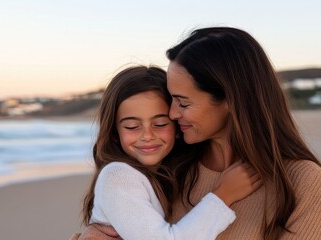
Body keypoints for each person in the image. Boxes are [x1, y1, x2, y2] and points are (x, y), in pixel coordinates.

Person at [73, 27, 321, 240]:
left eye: (182, 102)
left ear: (231, 100)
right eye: (171, 100)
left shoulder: (304, 184)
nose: (171, 114)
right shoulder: (169, 167)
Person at [81, 65, 261, 240]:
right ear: (114, 132)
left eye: (160, 124)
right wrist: (224, 195)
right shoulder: (118, 175)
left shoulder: (167, 175)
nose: (147, 136)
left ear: (177, 127)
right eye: (132, 126)